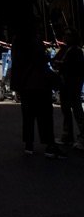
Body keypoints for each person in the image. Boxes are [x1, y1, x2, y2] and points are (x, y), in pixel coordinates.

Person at [9, 21, 65, 158]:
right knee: (44, 115)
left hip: (24, 84)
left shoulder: (17, 41)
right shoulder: (34, 40)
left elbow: (16, 63)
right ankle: (49, 145)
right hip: (39, 83)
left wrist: (16, 86)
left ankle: (29, 144)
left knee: (28, 115)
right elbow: (41, 58)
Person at [52, 29, 84, 149]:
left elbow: (74, 67)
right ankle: (67, 136)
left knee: (77, 111)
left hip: (73, 84)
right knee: (65, 110)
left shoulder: (77, 51)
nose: (65, 37)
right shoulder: (65, 49)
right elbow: (55, 61)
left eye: (68, 35)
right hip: (64, 84)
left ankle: (83, 137)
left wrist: (61, 64)